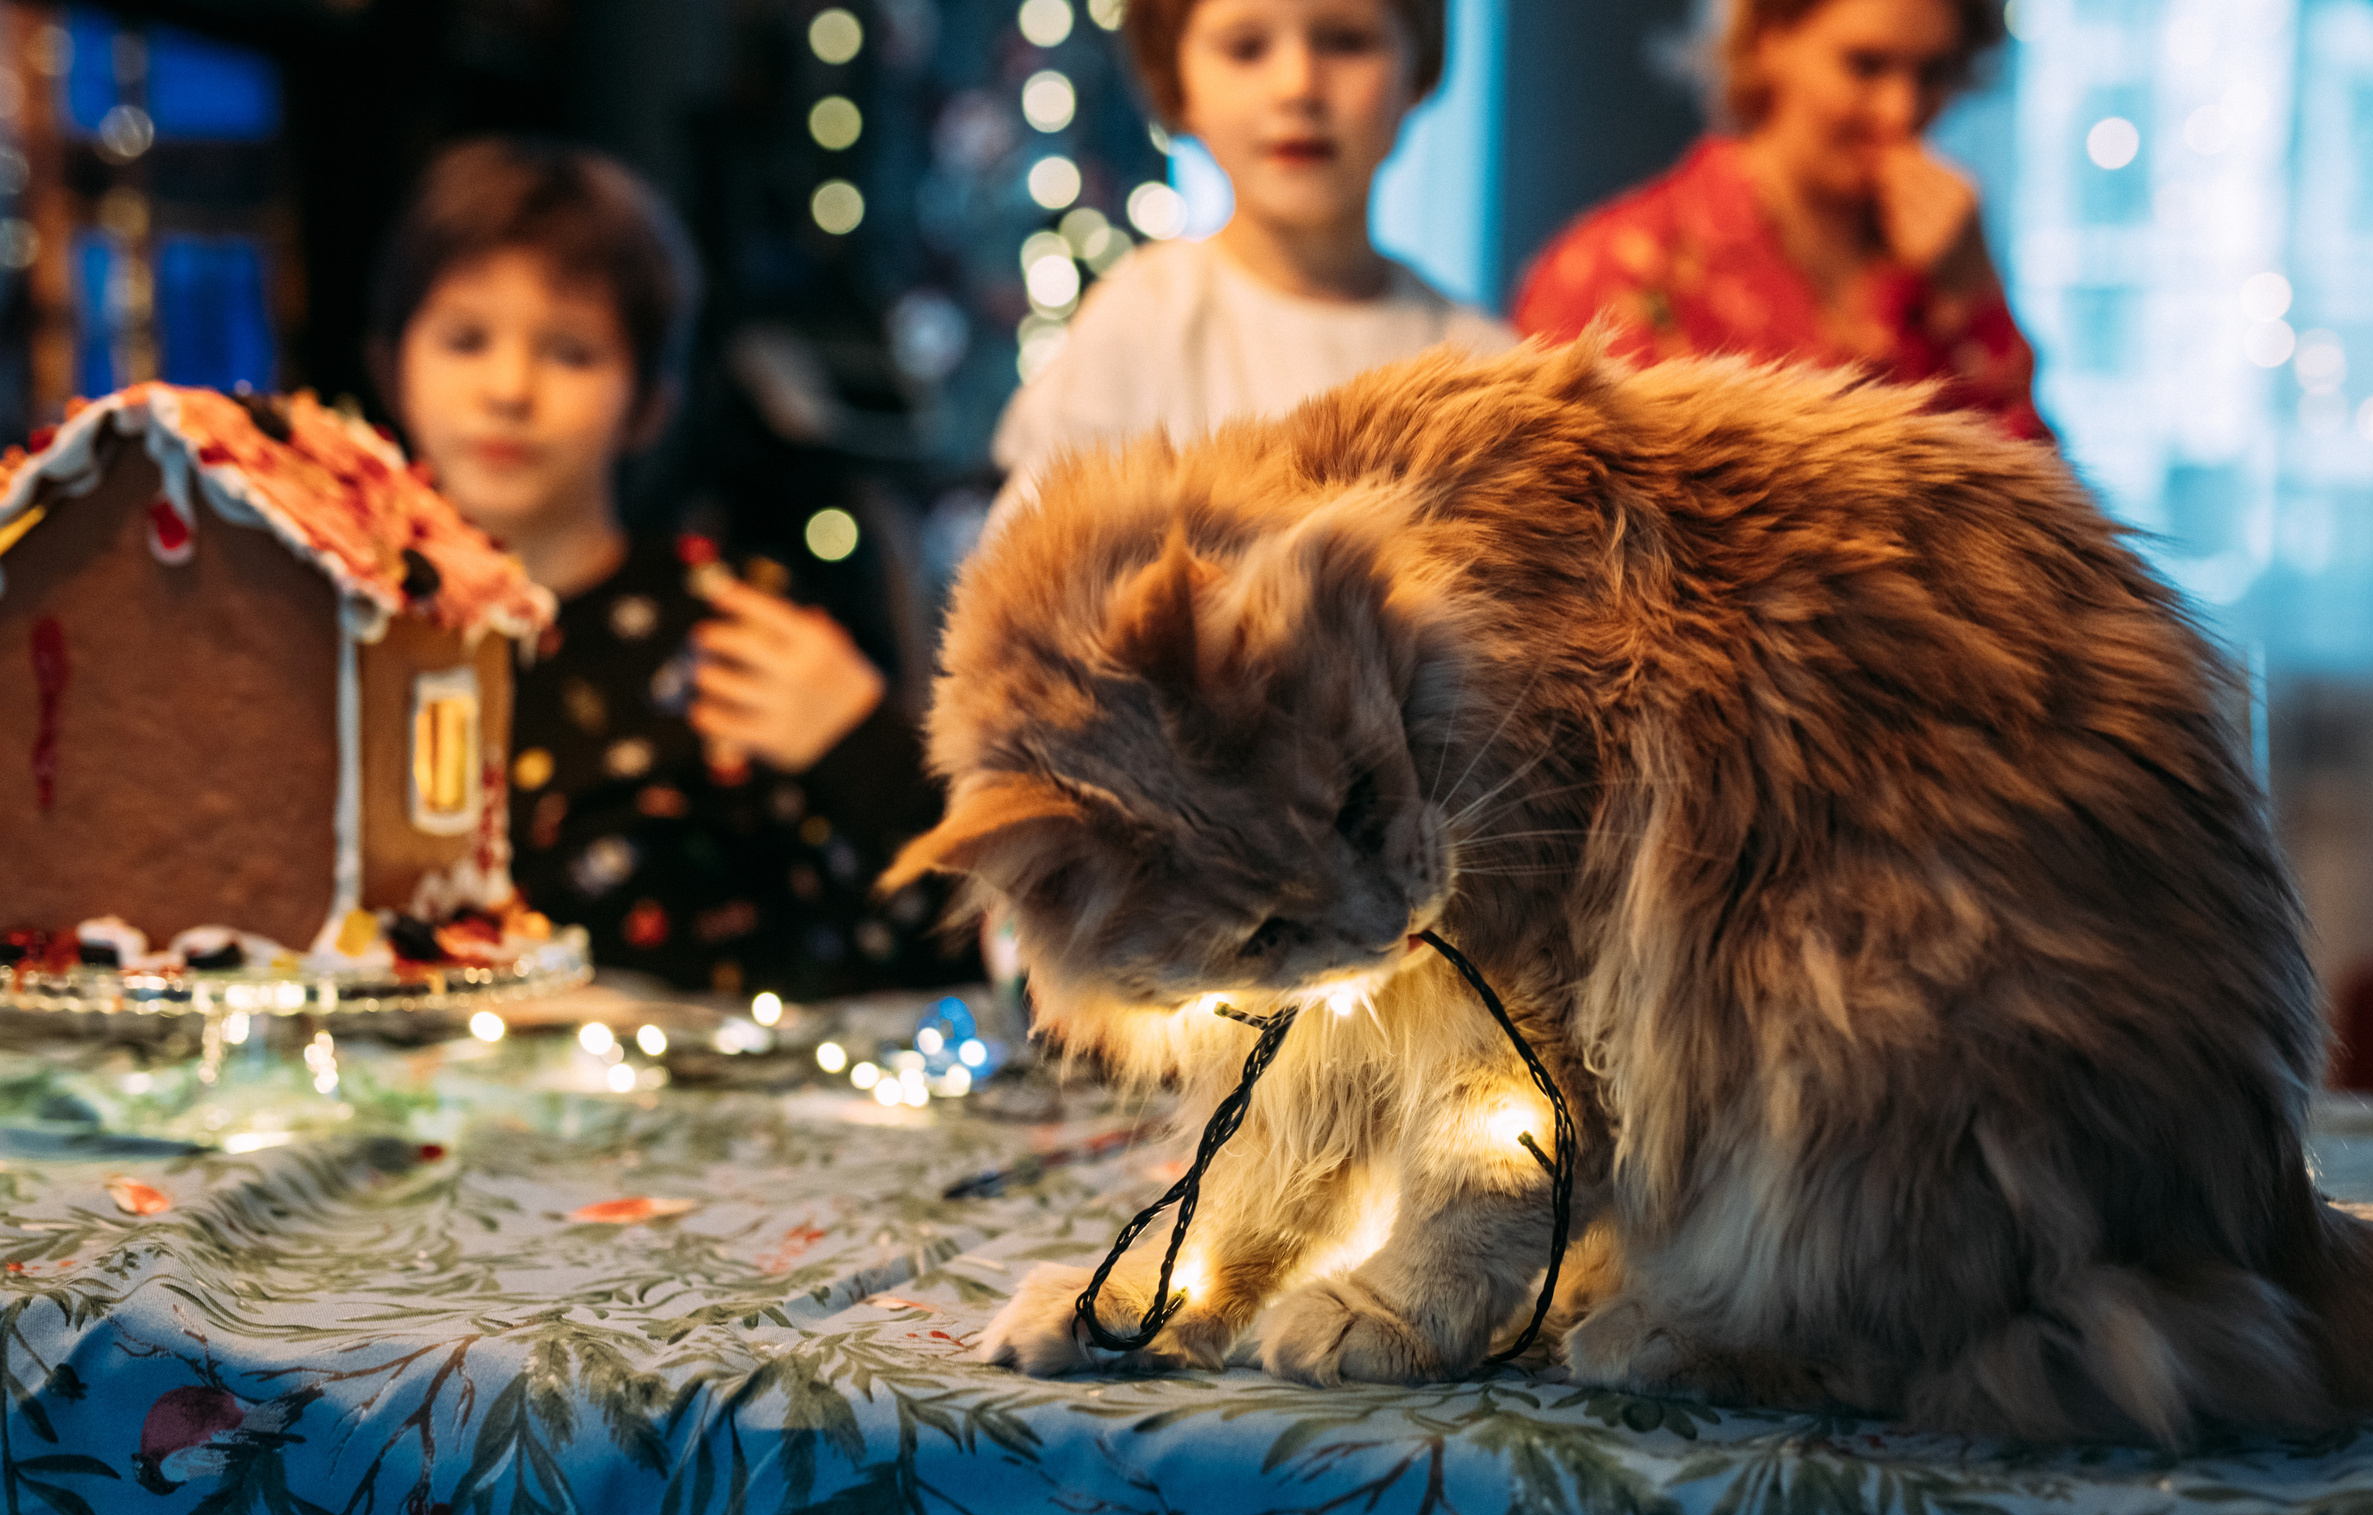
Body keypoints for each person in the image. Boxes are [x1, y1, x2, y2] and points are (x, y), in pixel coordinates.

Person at [370, 137, 974, 996]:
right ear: (394, 367)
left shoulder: (726, 626)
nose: (508, 387)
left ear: (650, 399)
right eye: (466, 340)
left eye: (571, 352)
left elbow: (959, 939)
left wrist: (860, 743)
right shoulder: (339, 630)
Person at [992, 0, 1514, 497]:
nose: (1298, 85)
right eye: (1246, 48)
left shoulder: (1487, 371)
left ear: (1416, 69)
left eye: (1347, 42)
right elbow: (1031, 572)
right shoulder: (1132, 332)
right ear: (1178, 83)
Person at [1513, 0, 2046, 440]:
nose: (1901, 111)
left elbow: (2037, 525)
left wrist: (1970, 305)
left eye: (1933, 73)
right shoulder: (1621, 270)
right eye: (1866, 65)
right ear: (1769, 39)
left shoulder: (1946, 261)